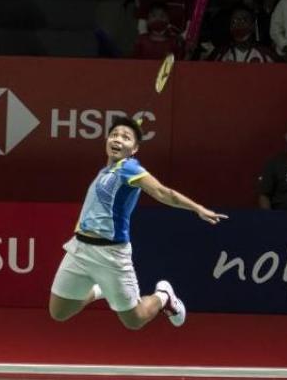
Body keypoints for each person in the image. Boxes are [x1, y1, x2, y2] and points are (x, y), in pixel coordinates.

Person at [49, 116, 227, 330]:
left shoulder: (129, 169)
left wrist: (197, 208)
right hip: (80, 248)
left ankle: (163, 297)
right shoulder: (105, 171)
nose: (118, 139)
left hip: (111, 254)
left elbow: (162, 192)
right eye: (114, 135)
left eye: (126, 138)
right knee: (59, 312)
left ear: (134, 149)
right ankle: (102, 289)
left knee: (134, 320)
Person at [207, 5, 277, 62]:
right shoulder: (220, 54)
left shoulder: (266, 53)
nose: (239, 25)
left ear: (253, 27)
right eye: (234, 21)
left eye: (244, 20)